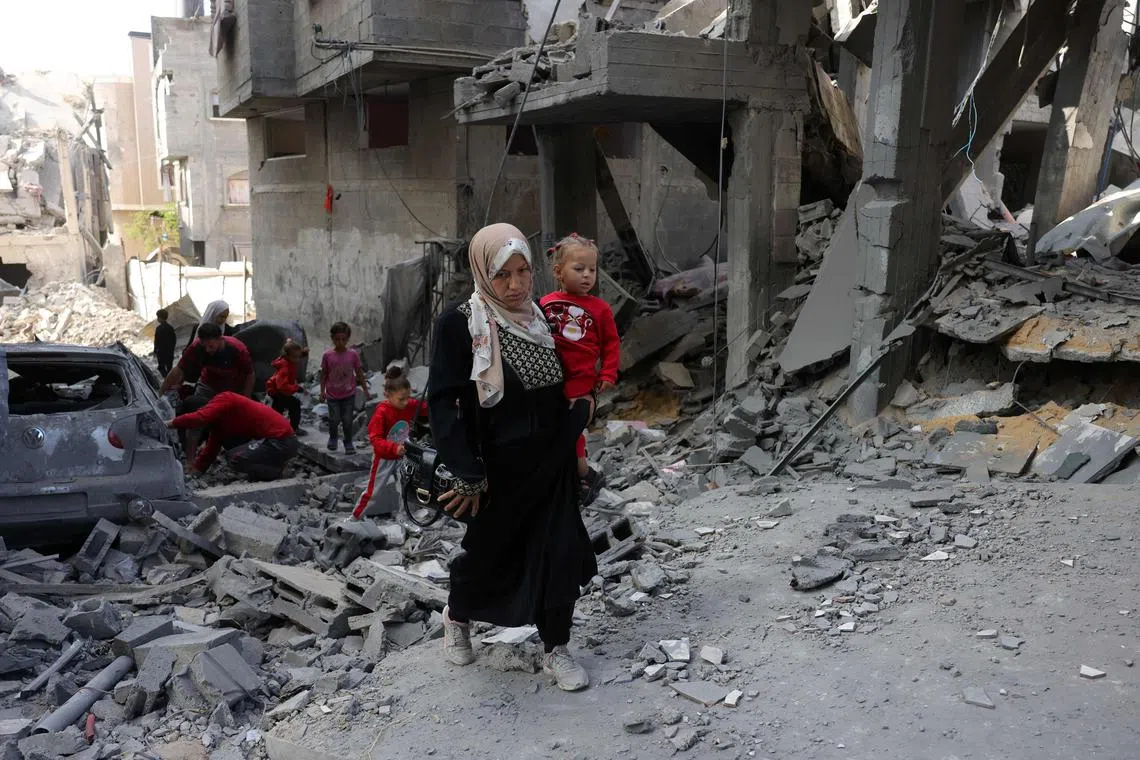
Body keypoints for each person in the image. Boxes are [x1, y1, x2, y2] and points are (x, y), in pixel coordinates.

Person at [428, 223, 597, 692]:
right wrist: (465, 470)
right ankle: (457, 617)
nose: (517, 285)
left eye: (524, 272)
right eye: (504, 275)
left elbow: (567, 384)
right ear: (484, 273)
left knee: (560, 553)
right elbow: (442, 402)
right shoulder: (461, 324)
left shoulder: (542, 317)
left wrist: (580, 427)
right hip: (497, 468)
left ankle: (557, 647)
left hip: (552, 457)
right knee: (489, 554)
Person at [539, 234, 619, 505]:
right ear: (558, 272)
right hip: (549, 381)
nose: (587, 275)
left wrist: (608, 373)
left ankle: (582, 474)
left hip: (580, 382)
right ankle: (578, 476)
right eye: (579, 269)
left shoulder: (600, 309)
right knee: (555, 432)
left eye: (592, 270)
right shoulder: (545, 304)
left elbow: (611, 343)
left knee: (570, 429)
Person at [159, 322, 254, 460]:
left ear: (221, 339)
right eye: (205, 347)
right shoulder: (197, 347)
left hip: (232, 390)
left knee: (232, 423)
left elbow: (250, 375)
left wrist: (246, 400)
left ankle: (237, 453)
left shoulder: (237, 349)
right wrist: (161, 392)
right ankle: (190, 460)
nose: (208, 350)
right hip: (207, 386)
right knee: (196, 421)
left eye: (211, 346)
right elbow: (178, 371)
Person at [167, 391, 299, 480]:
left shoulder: (226, 398)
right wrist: (195, 473)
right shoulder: (219, 423)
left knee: (235, 459)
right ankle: (277, 464)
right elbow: (211, 449)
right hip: (278, 441)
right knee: (235, 454)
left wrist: (169, 424)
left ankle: (280, 472)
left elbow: (199, 418)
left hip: (281, 440)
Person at [351, 366, 426, 520]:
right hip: (384, 458)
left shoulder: (410, 405)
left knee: (406, 486)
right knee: (373, 491)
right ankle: (355, 517)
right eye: (401, 399)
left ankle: (405, 517)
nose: (406, 402)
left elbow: (426, 408)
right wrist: (393, 448)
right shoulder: (382, 413)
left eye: (408, 397)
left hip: (402, 455)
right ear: (388, 395)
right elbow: (375, 440)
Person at [319, 322, 369, 454]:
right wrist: (322, 391)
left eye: (343, 339)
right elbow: (323, 374)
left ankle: (348, 442)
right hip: (332, 395)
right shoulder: (327, 356)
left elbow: (359, 373)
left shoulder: (353, 355)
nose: (340, 342)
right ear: (332, 339)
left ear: (347, 339)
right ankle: (333, 437)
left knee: (347, 420)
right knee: (334, 419)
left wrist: (365, 390)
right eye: (337, 339)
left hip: (348, 394)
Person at [266, 340, 308, 435]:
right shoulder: (285, 368)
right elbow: (282, 385)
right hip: (278, 391)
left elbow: (296, 354)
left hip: (275, 389)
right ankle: (294, 428)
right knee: (295, 404)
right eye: (295, 357)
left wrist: (304, 353)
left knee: (277, 409)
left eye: (299, 357)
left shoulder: (289, 360)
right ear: (287, 356)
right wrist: (297, 388)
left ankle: (272, 427)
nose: (297, 360)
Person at [154, 309, 177, 377]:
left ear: (160, 318)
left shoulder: (159, 328)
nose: (157, 319)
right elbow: (174, 339)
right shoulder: (170, 328)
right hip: (169, 352)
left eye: (158, 317)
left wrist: (155, 350)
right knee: (169, 367)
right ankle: (169, 378)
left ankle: (166, 378)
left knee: (161, 367)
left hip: (161, 352)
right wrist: (172, 349)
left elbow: (157, 340)